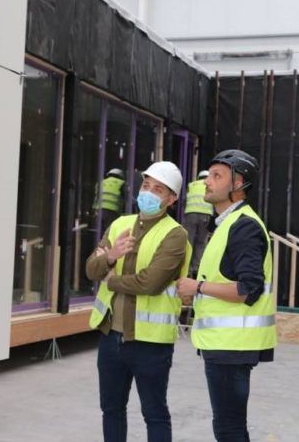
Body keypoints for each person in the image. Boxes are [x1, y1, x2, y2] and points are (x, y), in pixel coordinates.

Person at [85, 161, 191, 442]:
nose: (149, 192)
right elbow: (90, 268)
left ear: (172, 199)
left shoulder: (175, 235)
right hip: (111, 338)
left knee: (154, 413)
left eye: (158, 189)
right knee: (111, 410)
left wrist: (111, 279)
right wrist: (109, 256)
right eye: (146, 185)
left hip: (150, 344)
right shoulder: (119, 224)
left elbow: (151, 283)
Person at [176, 149, 276, 442]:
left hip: (232, 348)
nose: (208, 181)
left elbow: (248, 289)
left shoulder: (243, 227)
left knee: (229, 429)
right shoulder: (224, 225)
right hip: (224, 345)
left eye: (217, 176)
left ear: (238, 183)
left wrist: (197, 287)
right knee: (228, 426)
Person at [184, 169, 213, 276]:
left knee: (188, 242)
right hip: (205, 215)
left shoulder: (191, 185)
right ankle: (195, 268)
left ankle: (186, 270)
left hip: (191, 215)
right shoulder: (210, 185)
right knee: (201, 243)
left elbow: (185, 200)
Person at [92, 168, 126, 236]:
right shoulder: (122, 183)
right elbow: (126, 197)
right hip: (113, 210)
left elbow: (96, 196)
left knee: (100, 232)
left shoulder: (101, 182)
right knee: (110, 231)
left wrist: (94, 210)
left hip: (99, 210)